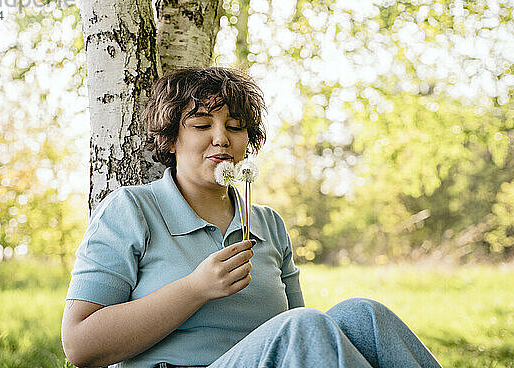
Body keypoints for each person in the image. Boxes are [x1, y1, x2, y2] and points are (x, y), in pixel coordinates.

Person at [61, 67, 442, 368]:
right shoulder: (131, 210)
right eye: (201, 125)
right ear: (171, 138)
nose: (221, 138)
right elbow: (80, 346)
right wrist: (195, 288)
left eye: (235, 126)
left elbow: (305, 341)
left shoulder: (268, 224)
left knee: (365, 315)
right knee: (302, 326)